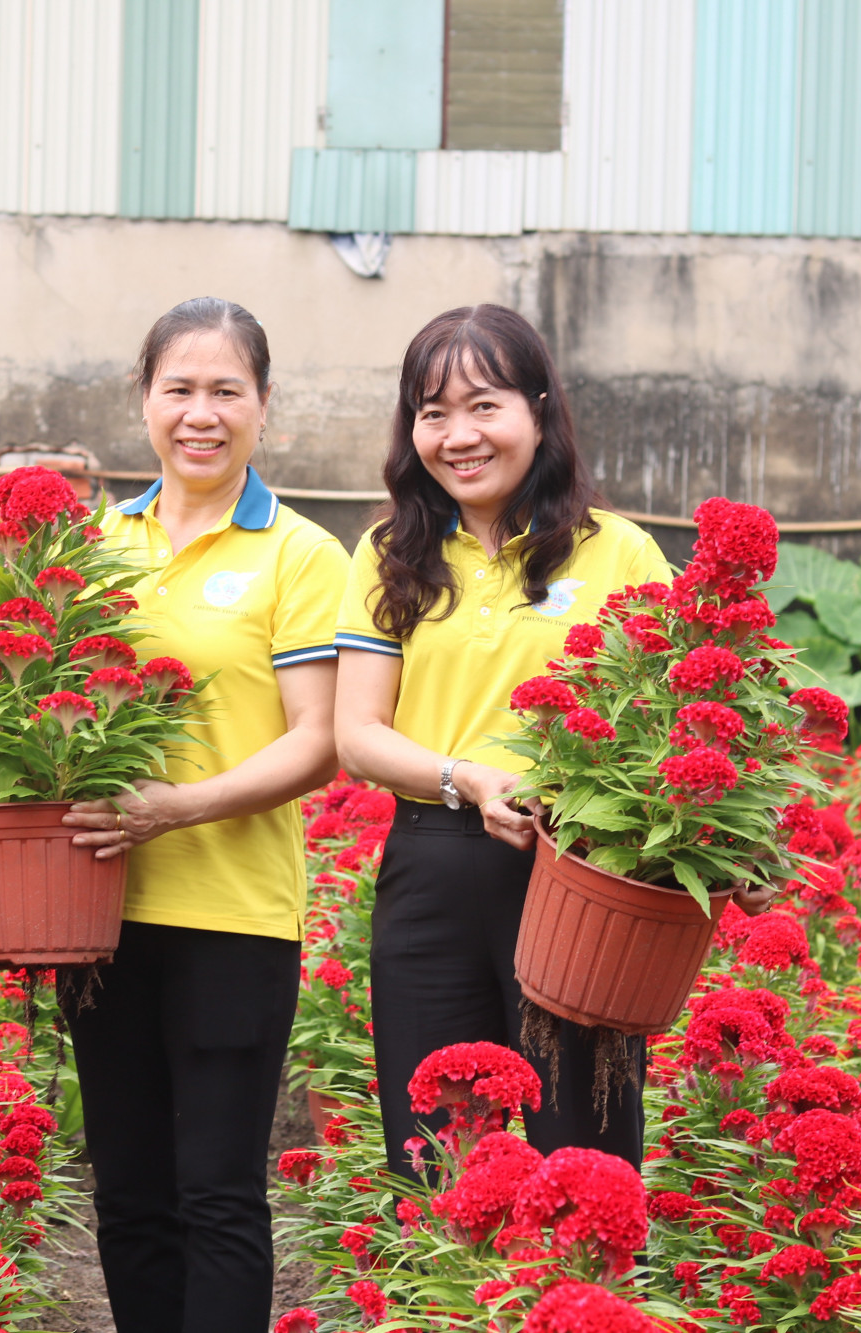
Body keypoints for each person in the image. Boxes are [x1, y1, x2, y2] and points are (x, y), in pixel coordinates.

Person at [332, 304, 773, 1177]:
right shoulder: (392, 553)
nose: (459, 435)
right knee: (435, 1154)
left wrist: (736, 837)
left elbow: (681, 714)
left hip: (584, 877)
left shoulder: (621, 554)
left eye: (484, 405)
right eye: (432, 412)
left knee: (581, 1146)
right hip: (435, 869)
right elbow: (357, 734)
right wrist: (468, 776)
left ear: (539, 410)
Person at [59, 298, 347, 1333]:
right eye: (178, 388)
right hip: (94, 909)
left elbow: (314, 738)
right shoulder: (92, 545)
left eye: (225, 389)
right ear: (143, 400)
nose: (200, 412)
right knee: (127, 1190)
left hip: (232, 915)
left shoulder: (300, 555)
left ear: (262, 406)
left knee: (218, 1192)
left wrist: (175, 809)